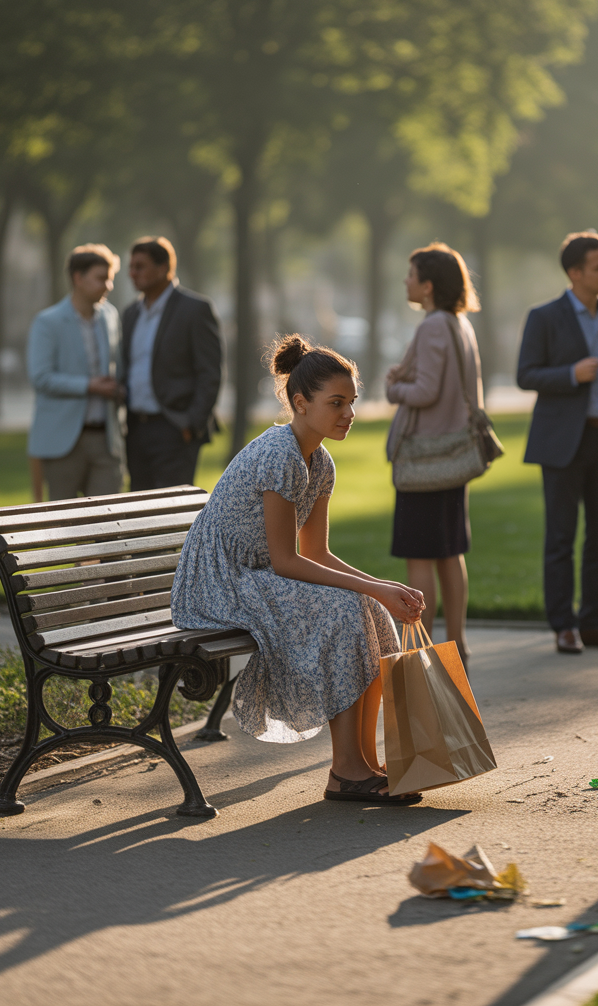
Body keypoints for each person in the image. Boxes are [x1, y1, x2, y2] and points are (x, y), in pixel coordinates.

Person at [171, 335, 426, 804]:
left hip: (258, 571)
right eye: (336, 403)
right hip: (221, 581)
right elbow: (287, 560)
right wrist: (368, 589)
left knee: (368, 608)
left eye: (351, 402)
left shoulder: (320, 462)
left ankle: (362, 765)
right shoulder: (280, 455)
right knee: (345, 611)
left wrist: (380, 587)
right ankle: (347, 769)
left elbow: (318, 553)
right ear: (300, 402)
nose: (347, 413)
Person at [516, 232, 598, 655]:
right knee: (561, 537)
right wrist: (572, 374)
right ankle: (563, 626)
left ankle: (594, 622)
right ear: (575, 273)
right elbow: (526, 374)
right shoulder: (544, 317)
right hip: (563, 443)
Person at [386, 243, 484, 668]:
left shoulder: (430, 327)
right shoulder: (460, 324)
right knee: (450, 551)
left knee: (420, 553)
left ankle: (422, 648)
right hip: (454, 454)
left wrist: (394, 388)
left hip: (425, 457)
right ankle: (457, 643)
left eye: (411, 275)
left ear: (427, 286)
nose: (406, 281)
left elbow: (424, 391)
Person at [121, 236, 222, 491]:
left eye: (140, 266)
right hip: (135, 429)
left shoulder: (195, 309)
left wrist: (191, 424)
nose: (132, 273)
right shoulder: (130, 314)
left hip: (175, 428)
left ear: (164, 267)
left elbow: (210, 372)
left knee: (171, 510)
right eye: (131, 267)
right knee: (138, 510)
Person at [26, 244, 125, 502]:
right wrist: (90, 385)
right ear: (78, 278)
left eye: (110, 278)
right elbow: (41, 377)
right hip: (63, 441)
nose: (108, 285)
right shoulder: (47, 322)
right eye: (101, 278)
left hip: (107, 439)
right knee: (63, 524)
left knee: (107, 523)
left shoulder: (110, 316)